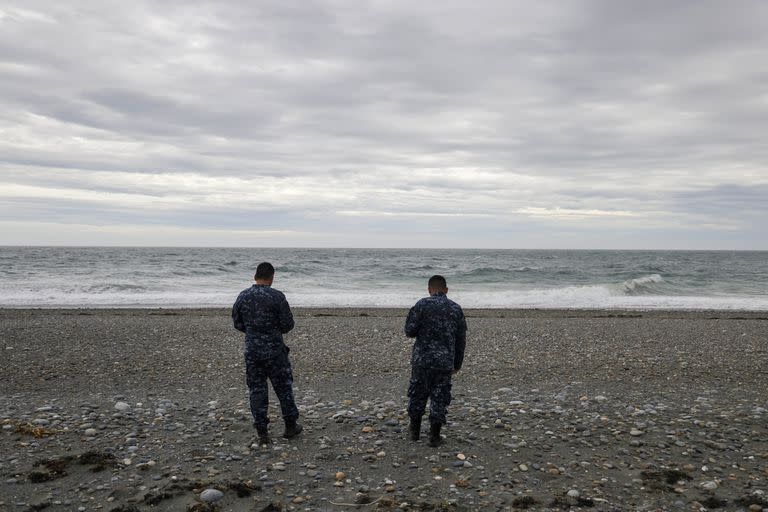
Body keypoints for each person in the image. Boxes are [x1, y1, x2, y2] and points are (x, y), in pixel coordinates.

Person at [232, 262, 302, 445]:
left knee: (257, 390)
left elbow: (237, 323)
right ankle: (290, 426)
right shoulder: (276, 297)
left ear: (256, 276)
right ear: (271, 277)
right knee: (284, 388)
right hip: (275, 351)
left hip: (253, 351)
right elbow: (288, 325)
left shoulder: (243, 296)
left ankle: (262, 432)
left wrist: (254, 331)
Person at [404, 274, 467, 447]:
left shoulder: (422, 304)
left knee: (417, 394)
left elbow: (409, 331)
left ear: (429, 289)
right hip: (444, 361)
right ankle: (434, 436)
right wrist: (457, 363)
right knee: (440, 396)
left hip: (422, 360)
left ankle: (415, 432)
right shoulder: (455, 308)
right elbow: (461, 339)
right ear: (446, 290)